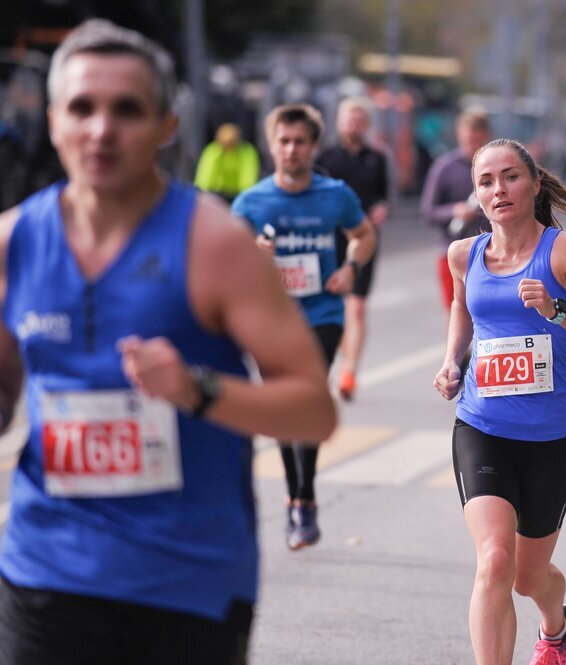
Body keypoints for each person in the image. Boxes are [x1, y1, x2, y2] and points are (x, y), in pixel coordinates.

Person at [0, 20, 337, 664]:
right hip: (45, 572)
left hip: (188, 583)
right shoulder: (14, 243)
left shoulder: (217, 245)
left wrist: (195, 388)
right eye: (82, 108)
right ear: (53, 122)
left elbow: (314, 411)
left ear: (166, 125)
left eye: (126, 109)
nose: (101, 129)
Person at [433, 138, 566, 665]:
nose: (500, 190)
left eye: (511, 177)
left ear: (535, 183)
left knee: (527, 576)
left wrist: (560, 312)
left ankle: (556, 625)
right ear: (476, 194)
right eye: (487, 181)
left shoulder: (563, 251)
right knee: (494, 561)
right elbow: (461, 309)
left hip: (551, 439)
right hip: (481, 426)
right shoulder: (462, 254)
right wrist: (453, 360)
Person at [232, 103, 376, 549]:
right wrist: (250, 254)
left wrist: (350, 267)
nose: (291, 149)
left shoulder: (335, 195)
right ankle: (295, 497)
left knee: (308, 395)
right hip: (271, 317)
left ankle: (305, 503)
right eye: (283, 141)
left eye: (299, 142)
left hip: (321, 314)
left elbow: (364, 235)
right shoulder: (251, 202)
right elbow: (225, 260)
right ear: (272, 145)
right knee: (280, 408)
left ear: (314, 147)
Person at [315, 97, 390, 402]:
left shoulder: (377, 158)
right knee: (334, 306)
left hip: (364, 238)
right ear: (339, 122)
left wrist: (382, 210)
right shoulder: (325, 158)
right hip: (331, 241)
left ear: (368, 125)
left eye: (360, 120)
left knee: (357, 306)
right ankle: (333, 363)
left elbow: (383, 197)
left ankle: (349, 372)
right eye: (349, 119)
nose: (354, 125)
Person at [420, 107, 492, 312]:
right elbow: (428, 212)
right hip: (454, 252)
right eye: (468, 140)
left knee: (488, 315)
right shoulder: (445, 167)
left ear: (486, 136)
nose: (473, 146)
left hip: (491, 252)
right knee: (457, 312)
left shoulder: (497, 166)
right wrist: (454, 211)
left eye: (478, 141)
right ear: (460, 135)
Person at [193, 122, 260, 202]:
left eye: (231, 143)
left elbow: (248, 181)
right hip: (215, 195)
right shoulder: (212, 151)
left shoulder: (247, 152)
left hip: (238, 196)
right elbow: (204, 181)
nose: (228, 148)